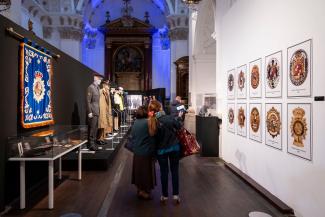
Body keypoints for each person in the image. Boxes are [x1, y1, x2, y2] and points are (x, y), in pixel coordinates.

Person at [148, 100, 183, 204]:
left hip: (161, 151)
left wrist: (153, 155)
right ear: (160, 108)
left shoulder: (152, 121)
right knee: (175, 171)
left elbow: (153, 140)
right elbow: (179, 126)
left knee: (164, 173)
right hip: (174, 148)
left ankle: (164, 196)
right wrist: (179, 118)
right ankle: (176, 195)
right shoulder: (169, 117)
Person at [130, 106, 156, 199]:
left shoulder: (135, 122)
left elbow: (132, 136)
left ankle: (139, 189)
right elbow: (152, 138)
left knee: (138, 172)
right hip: (146, 152)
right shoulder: (148, 122)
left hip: (137, 151)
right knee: (146, 173)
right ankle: (144, 192)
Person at [86, 75, 102, 151]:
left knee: (95, 128)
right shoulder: (91, 87)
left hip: (97, 110)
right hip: (92, 111)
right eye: (99, 79)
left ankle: (93, 144)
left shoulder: (97, 88)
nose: (100, 81)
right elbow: (88, 101)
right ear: (95, 79)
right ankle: (90, 145)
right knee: (92, 129)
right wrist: (89, 111)